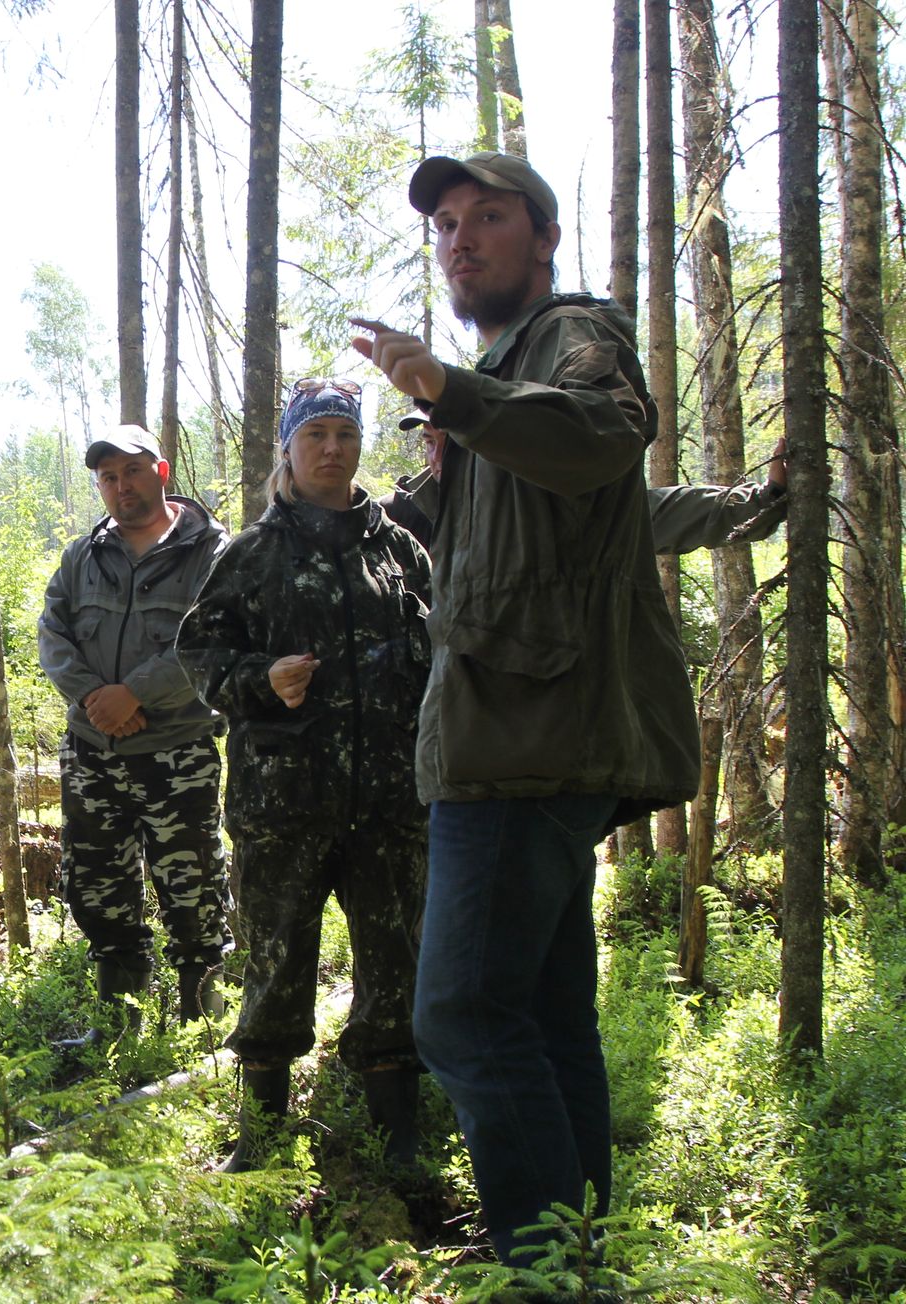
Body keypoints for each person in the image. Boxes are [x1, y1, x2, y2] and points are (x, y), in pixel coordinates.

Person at [350, 152, 699, 1268]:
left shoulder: (571, 337)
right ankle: (578, 1251)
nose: (460, 238)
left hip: (526, 743)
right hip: (505, 734)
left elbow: (601, 439)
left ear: (542, 237)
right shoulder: (496, 379)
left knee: (456, 1015)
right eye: (445, 224)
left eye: (487, 217)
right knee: (546, 1018)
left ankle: (547, 1268)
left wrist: (454, 391)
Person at [177, 381, 433, 1173]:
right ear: (288, 448)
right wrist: (260, 678)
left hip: (391, 805)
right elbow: (201, 655)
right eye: (315, 434)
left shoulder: (400, 551)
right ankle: (261, 1139)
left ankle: (399, 1141)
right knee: (276, 962)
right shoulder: (250, 555)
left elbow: (442, 661)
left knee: (397, 965)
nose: (332, 449)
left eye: (344, 435)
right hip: (282, 804)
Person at [36, 425, 231, 1037]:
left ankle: (201, 1021)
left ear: (162, 471)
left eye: (132, 473)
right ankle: (120, 1021)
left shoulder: (214, 552)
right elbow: (53, 634)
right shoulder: (82, 556)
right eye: (108, 478)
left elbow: (213, 639)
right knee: (96, 888)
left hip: (178, 752)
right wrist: (96, 698)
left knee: (192, 885)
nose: (121, 488)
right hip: (93, 752)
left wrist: (134, 693)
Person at [381, 415, 790, 555]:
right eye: (430, 442)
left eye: (451, 443)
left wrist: (765, 500)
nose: (437, 458)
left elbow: (661, 514)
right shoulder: (402, 514)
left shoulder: (536, 504)